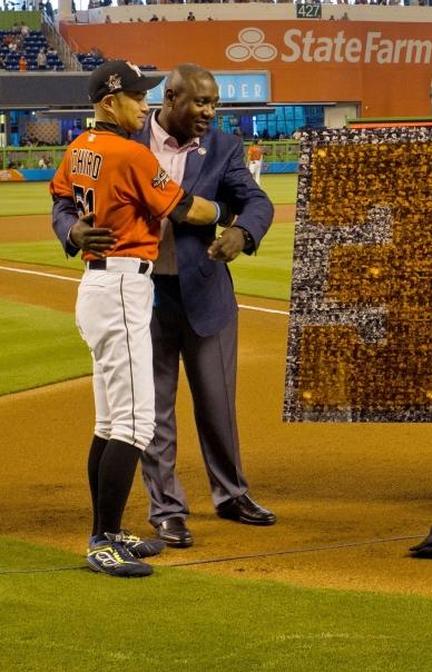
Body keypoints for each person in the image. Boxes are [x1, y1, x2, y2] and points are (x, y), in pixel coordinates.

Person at [49, 60, 240, 577]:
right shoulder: (130, 154)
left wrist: (71, 229)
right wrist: (225, 215)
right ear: (110, 102)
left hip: (101, 285)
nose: (143, 104)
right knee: (134, 424)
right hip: (121, 287)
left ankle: (106, 533)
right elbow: (186, 211)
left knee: (111, 422)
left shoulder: (79, 149)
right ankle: (102, 542)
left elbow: (61, 195)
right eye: (135, 97)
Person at [140, 63, 275, 548]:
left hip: (206, 292)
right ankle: (167, 510)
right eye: (200, 102)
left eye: (214, 104)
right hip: (143, 295)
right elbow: (70, 200)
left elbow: (256, 201)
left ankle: (230, 494)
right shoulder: (127, 139)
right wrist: (72, 231)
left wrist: (241, 232)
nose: (209, 113)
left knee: (218, 405)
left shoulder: (223, 146)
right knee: (154, 412)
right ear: (170, 96)